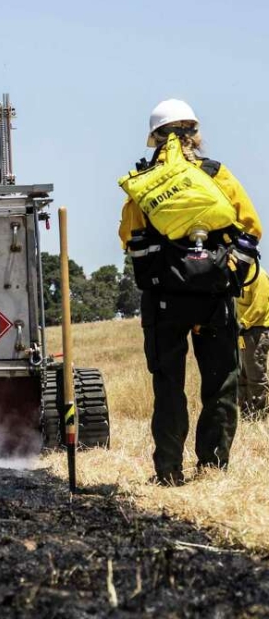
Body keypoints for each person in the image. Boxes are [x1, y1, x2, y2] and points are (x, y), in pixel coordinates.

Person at [118, 98, 262, 486]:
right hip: (214, 297)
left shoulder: (144, 183)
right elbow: (250, 226)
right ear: (195, 136)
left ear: (155, 139)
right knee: (220, 384)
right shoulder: (215, 174)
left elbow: (128, 237)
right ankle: (213, 469)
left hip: (164, 301)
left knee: (169, 387)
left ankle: (168, 471)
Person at [237, 266, 269, 415]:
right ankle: (246, 413)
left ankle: (260, 415)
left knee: (256, 376)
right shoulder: (240, 275)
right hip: (243, 331)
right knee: (243, 375)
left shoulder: (259, 276)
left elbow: (259, 308)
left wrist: (242, 323)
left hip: (256, 331)